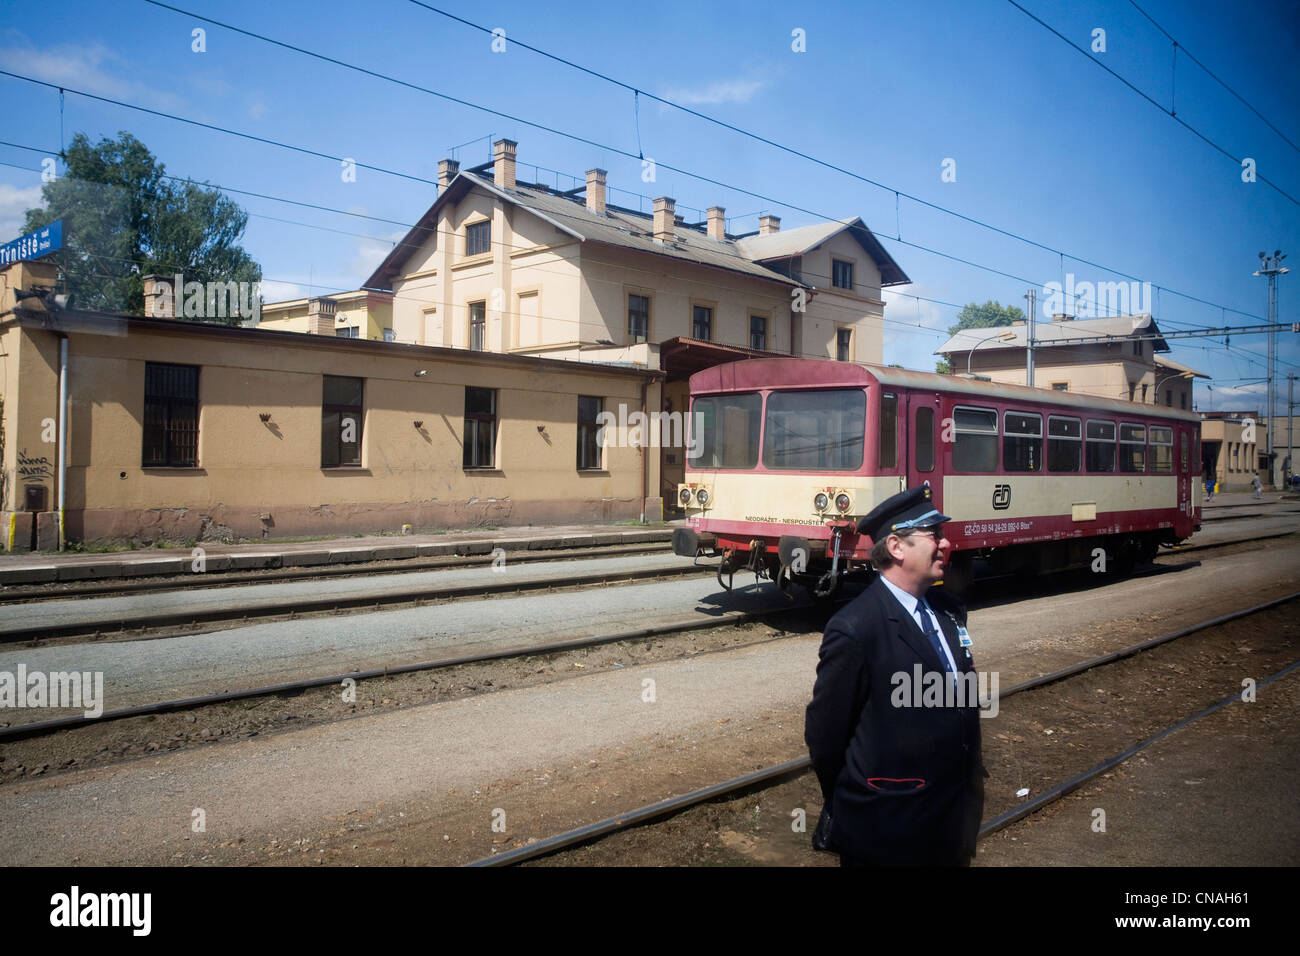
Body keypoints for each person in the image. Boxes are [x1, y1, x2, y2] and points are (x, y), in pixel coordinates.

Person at [805, 485, 985, 866]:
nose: (945, 543)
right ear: (897, 547)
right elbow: (826, 736)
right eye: (933, 535)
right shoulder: (855, 628)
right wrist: (865, 793)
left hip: (950, 824)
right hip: (887, 831)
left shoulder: (949, 611)